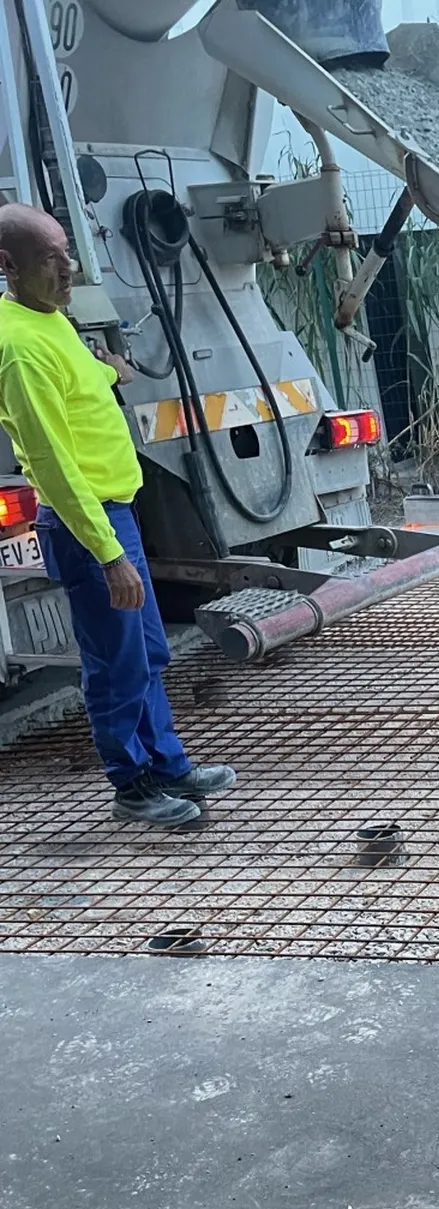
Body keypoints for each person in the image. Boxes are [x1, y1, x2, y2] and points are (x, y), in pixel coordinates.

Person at [0, 203, 235, 827]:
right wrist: (108, 554)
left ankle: (167, 763)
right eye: (50, 259)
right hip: (87, 528)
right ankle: (131, 786)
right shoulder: (18, 347)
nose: (67, 268)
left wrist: (109, 369)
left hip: (115, 515)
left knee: (149, 650)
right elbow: (51, 463)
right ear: (8, 267)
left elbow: (77, 380)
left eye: (66, 253)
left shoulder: (48, 319)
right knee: (116, 661)